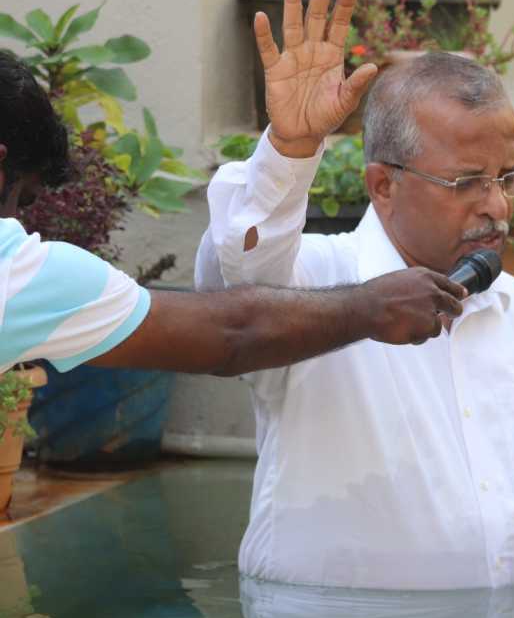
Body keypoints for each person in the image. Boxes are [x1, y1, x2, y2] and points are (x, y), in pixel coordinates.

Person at [195, 0, 514, 591]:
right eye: (468, 182)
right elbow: (229, 283)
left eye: (507, 177)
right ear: (383, 185)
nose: (498, 207)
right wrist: (290, 150)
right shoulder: (314, 285)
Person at [0, 48, 465, 377]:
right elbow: (230, 332)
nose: (20, 226)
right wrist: (370, 305)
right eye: (21, 200)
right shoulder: (18, 276)